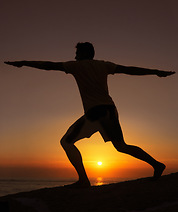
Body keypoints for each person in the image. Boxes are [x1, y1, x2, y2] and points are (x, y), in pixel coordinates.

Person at [5, 42, 175, 188]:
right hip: (110, 110)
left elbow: (49, 65)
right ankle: (157, 164)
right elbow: (130, 70)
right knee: (121, 146)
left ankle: (84, 180)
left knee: (66, 141)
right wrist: (156, 72)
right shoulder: (104, 65)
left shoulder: (75, 66)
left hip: (96, 112)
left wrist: (24, 62)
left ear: (85, 53)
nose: (76, 56)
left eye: (78, 53)